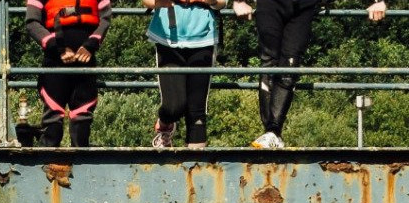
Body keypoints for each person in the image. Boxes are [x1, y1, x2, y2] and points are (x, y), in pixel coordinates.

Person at [232, 0, 388, 148]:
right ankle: (271, 132)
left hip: (304, 6)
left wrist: (377, 1)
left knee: (290, 63)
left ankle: (273, 132)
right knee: (269, 59)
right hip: (270, 4)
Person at [26, 0, 114, 147]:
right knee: (52, 123)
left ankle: (82, 163)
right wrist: (56, 47)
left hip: (86, 61)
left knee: (82, 121)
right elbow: (31, 23)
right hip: (54, 61)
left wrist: (91, 44)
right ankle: (46, 160)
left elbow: (105, 19)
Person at [145, 0, 227, 149]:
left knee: (196, 112)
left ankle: (196, 168)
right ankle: (165, 124)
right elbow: (148, 2)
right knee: (173, 107)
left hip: (203, 41)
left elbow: (221, 3)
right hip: (167, 41)